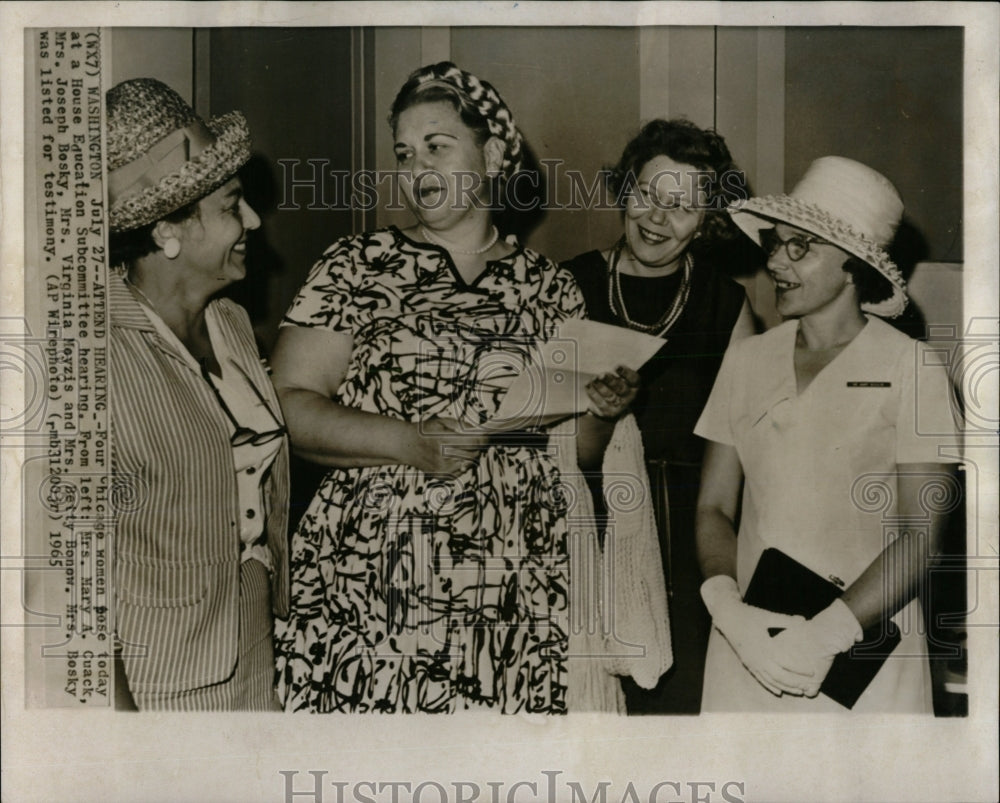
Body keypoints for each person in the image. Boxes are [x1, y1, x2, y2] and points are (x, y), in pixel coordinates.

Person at [272, 62, 670, 713]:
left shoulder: (550, 285)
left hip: (515, 594)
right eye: (405, 153)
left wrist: (602, 408)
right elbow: (289, 404)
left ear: (491, 154)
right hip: (374, 591)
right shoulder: (355, 265)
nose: (417, 168)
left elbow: (577, 453)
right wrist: (409, 441)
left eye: (437, 145)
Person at [695, 156, 960, 712]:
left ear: (852, 266)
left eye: (801, 247)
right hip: (749, 647)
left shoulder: (912, 368)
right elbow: (714, 507)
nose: (776, 262)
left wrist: (827, 633)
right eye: (776, 243)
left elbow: (921, 537)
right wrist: (727, 609)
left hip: (859, 654)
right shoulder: (746, 359)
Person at [107, 78, 289, 710]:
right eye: (233, 206)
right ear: (166, 233)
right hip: (161, 683)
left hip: (254, 646)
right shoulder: (92, 354)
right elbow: (61, 567)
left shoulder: (231, 321)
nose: (254, 221)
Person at [562, 119, 755, 713]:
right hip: (586, 522)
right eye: (647, 194)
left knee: (683, 707)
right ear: (625, 189)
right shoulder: (568, 285)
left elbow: (746, 438)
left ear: (707, 220)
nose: (657, 218)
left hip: (692, 531)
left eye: (681, 206)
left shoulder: (727, 301)